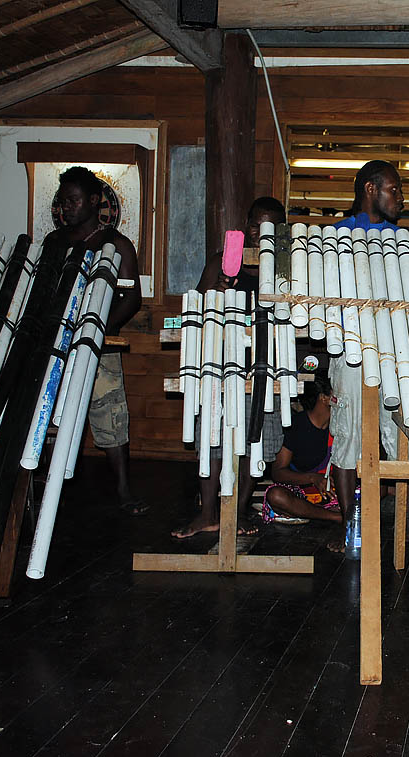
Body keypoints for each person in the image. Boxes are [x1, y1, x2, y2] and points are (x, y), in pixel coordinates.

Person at [327, 160, 409, 552]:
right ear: (370, 189)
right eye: (395, 189)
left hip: (394, 349)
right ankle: (346, 523)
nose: (401, 198)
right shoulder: (337, 236)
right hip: (351, 348)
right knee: (347, 438)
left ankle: (402, 521)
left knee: (401, 437)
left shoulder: (402, 241)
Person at [171, 197, 287, 538]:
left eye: (270, 227)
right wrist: (217, 292)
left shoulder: (285, 268)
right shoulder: (222, 261)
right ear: (245, 225)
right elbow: (196, 309)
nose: (260, 233)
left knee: (257, 445)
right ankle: (208, 513)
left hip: (266, 371)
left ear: (279, 230)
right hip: (221, 368)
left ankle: (236, 513)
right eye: (255, 225)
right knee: (212, 443)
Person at [42, 167, 146, 515]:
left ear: (92, 201)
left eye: (73, 200)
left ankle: (124, 490)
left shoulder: (115, 244)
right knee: (48, 413)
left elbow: (131, 299)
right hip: (56, 341)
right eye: (63, 201)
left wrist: (97, 331)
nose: (67, 208)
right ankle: (44, 483)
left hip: (97, 344)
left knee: (110, 416)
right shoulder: (54, 242)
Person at [259, 375, 342, 524]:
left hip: (334, 492)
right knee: (276, 495)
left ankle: (325, 512)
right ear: (323, 398)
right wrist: (312, 478)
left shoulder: (340, 426)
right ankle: (336, 516)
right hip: (302, 493)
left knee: (380, 487)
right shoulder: (296, 426)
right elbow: (278, 472)